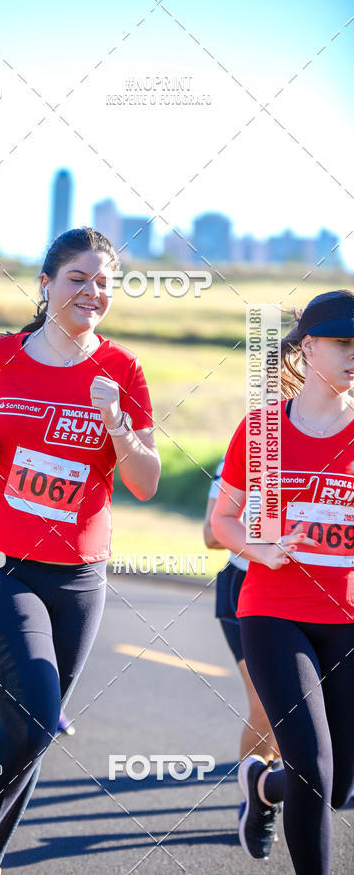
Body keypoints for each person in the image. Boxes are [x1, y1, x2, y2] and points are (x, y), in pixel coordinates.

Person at [0, 227, 160, 874]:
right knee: (34, 721)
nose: (93, 292)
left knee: (29, 729)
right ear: (45, 284)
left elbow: (144, 482)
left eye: (104, 284)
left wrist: (116, 421)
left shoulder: (122, 371)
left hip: (79, 576)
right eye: (78, 279)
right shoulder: (1, 356)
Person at [212, 290, 354, 873]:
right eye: (343, 343)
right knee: (313, 767)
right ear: (309, 347)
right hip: (273, 610)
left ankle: (264, 788)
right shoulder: (265, 430)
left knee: (339, 787)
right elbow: (222, 520)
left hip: (345, 617)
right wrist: (257, 547)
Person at [203, 459, 280, 777]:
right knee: (268, 707)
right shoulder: (244, 455)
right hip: (246, 587)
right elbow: (211, 534)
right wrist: (268, 535)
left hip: (314, 595)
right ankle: (257, 804)